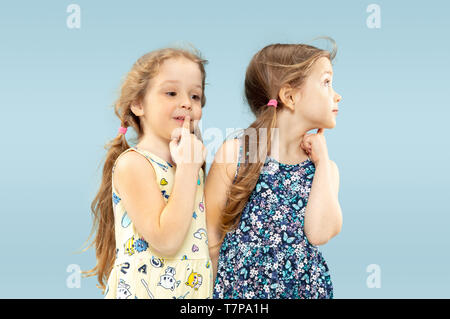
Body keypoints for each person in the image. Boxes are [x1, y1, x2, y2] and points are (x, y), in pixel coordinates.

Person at [206, 40, 343, 299]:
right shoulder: (236, 154)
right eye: (326, 82)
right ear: (290, 97)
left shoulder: (325, 170)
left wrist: (323, 162)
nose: (337, 95)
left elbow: (320, 232)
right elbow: (210, 236)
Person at [85, 47, 212, 299]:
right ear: (138, 104)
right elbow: (166, 241)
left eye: (196, 96)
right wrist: (188, 168)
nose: (187, 102)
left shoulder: (189, 166)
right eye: (171, 93)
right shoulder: (133, 164)